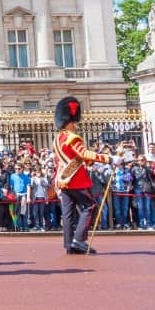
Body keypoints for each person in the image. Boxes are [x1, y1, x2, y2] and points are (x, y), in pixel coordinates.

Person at [53, 96, 111, 254]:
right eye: (75, 122)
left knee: (68, 213)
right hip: (76, 180)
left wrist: (93, 164)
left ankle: (69, 244)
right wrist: (109, 158)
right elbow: (83, 153)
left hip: (63, 180)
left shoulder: (58, 138)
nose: (77, 125)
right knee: (90, 206)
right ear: (70, 121)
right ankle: (79, 240)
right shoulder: (73, 137)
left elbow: (76, 157)